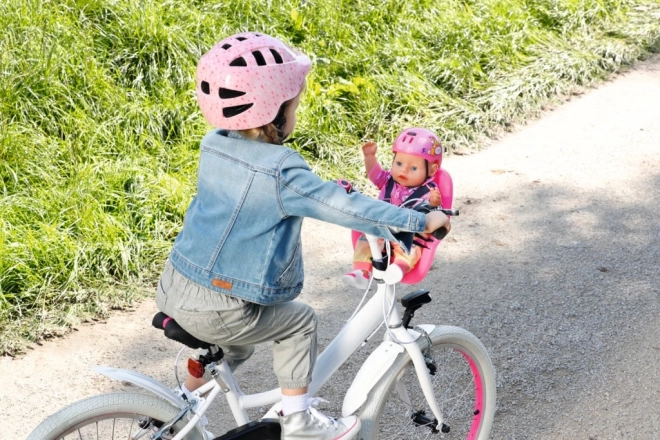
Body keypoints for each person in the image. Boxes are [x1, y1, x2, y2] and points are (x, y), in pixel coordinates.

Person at [155, 32, 450, 440]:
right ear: (274, 113)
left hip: (175, 286)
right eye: (293, 105)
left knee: (235, 347)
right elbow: (343, 207)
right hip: (221, 307)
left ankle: (180, 403)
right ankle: (298, 420)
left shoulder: (214, 143)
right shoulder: (281, 170)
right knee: (300, 322)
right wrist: (418, 221)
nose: (295, 112)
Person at [343, 128, 445, 290]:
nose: (403, 170)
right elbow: (374, 174)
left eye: (413, 168)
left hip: (407, 232)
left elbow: (435, 217)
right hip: (382, 227)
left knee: (412, 246)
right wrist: (369, 157)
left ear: (431, 170)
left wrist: (434, 203)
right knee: (366, 239)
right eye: (399, 163)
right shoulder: (388, 180)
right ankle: (361, 271)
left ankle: (399, 267)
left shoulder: (428, 190)